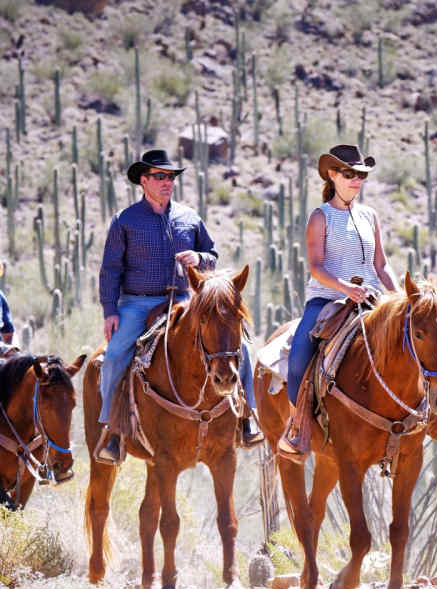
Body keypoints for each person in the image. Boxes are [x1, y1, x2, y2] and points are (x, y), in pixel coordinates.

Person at [96, 148, 263, 464]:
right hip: (138, 304)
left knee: (240, 344)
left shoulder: (189, 217)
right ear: (144, 181)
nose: (167, 182)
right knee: (116, 354)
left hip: (188, 301)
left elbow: (212, 254)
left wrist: (199, 259)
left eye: (170, 177)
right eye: (159, 177)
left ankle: (246, 417)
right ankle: (113, 430)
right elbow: (110, 269)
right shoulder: (125, 221)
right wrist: (110, 310)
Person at [278, 144, 400, 462]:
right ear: (332, 175)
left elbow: (381, 264)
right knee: (298, 359)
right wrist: (345, 287)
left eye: (361, 175)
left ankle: (418, 419)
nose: (356, 180)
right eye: (349, 174)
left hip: (370, 298)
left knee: (410, 342)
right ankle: (298, 427)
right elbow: (316, 266)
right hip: (327, 299)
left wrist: (400, 296)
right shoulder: (321, 217)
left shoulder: (370, 215)